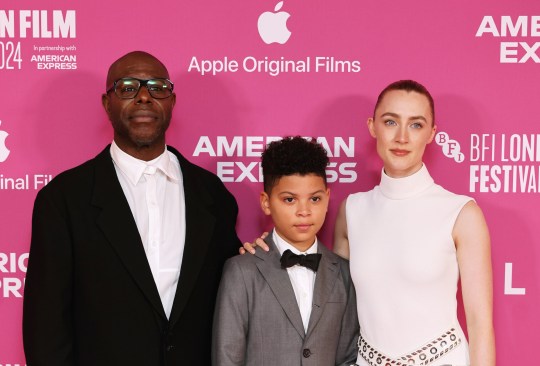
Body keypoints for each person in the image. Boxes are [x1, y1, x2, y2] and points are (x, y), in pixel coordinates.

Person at [244, 81, 495, 366]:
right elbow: (329, 295)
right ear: (373, 126)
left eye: (415, 125)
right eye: (390, 122)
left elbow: (480, 324)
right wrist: (268, 250)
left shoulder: (461, 213)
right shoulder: (353, 209)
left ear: (431, 134)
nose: (401, 137)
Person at [23, 51, 241, 366]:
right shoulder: (63, 199)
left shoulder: (213, 194)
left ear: (172, 101)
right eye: (127, 87)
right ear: (106, 103)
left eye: (157, 87)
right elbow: (45, 326)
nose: (143, 97)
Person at [213, 136, 359, 366]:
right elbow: (227, 357)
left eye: (315, 199)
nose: (304, 211)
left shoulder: (344, 273)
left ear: (328, 198)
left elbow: (349, 356)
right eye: (290, 200)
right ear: (266, 202)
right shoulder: (241, 271)